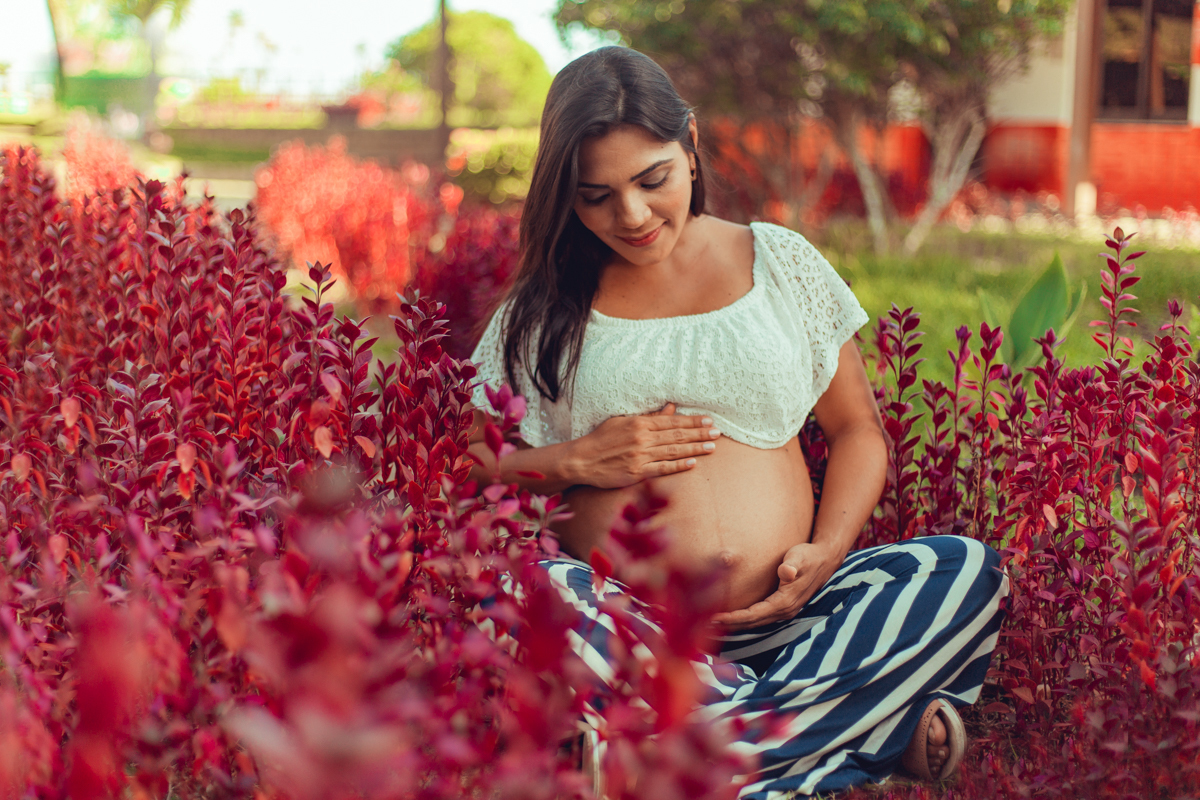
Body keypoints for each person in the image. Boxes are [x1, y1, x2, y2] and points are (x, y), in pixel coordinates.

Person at [466, 46, 1007, 798]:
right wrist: (578, 460)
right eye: (596, 196)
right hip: (637, 630)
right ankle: (864, 735)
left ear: (688, 142)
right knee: (528, 588)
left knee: (958, 570)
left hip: (799, 614)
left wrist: (826, 549)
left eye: (651, 180)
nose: (631, 215)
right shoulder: (541, 310)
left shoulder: (779, 261)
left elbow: (857, 432)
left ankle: (682, 755)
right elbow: (470, 462)